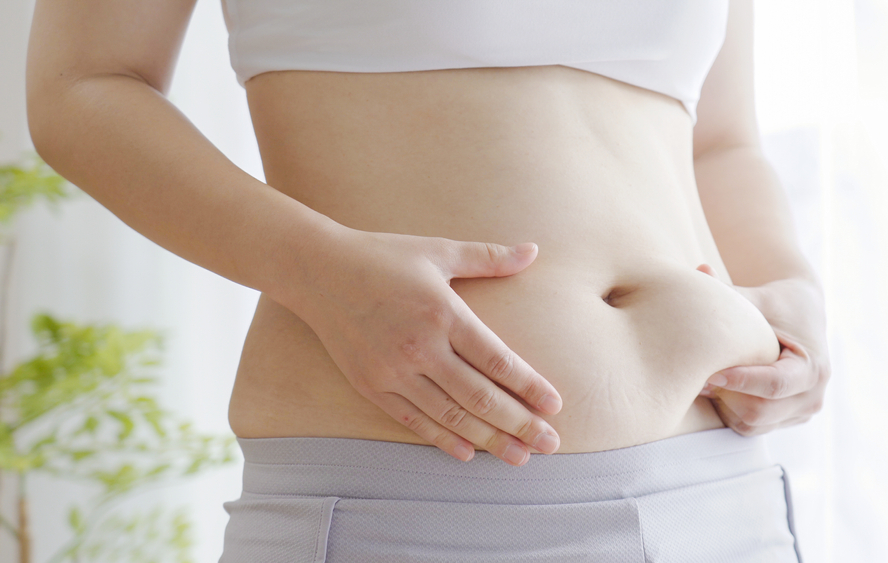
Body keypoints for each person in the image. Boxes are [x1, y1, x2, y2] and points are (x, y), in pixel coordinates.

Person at [26, 0, 830, 560]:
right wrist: (317, 269)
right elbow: (82, 84)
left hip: (720, 489)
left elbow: (721, 140)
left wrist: (792, 290)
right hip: (410, 503)